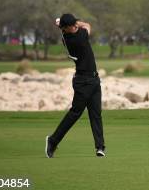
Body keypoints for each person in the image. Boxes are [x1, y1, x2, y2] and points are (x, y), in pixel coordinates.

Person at [45, 13, 106, 158]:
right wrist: (76, 22)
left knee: (96, 114)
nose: (75, 26)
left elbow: (71, 25)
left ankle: (100, 147)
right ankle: (52, 141)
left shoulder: (65, 34)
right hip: (83, 82)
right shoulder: (78, 38)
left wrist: (66, 23)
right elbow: (87, 25)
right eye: (72, 25)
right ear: (67, 28)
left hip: (93, 79)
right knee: (75, 113)